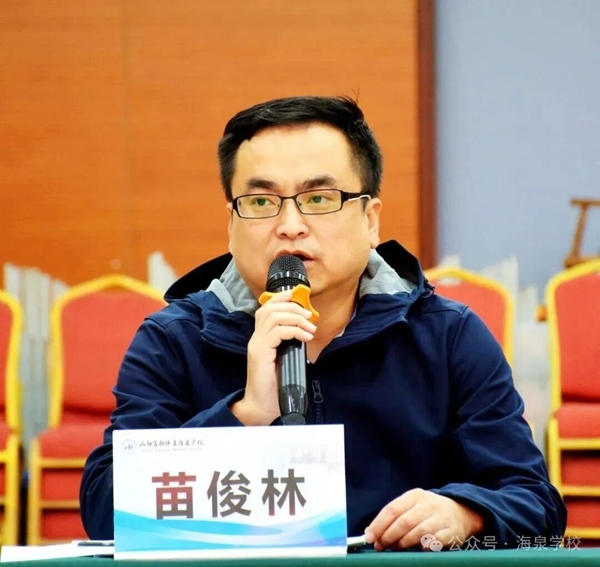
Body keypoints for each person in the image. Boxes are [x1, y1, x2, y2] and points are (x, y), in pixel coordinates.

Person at [80, 95, 566, 550]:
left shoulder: (448, 337)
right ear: (231, 225)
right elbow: (104, 511)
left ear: (371, 220)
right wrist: (244, 415)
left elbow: (536, 502)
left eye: (318, 199)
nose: (290, 225)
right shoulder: (172, 342)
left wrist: (466, 513)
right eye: (261, 202)